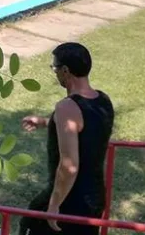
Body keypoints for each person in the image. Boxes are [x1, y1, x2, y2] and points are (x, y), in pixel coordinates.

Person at [20, 43, 114, 235]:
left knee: (30, 222)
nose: (54, 73)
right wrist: (46, 122)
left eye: (55, 68)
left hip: (71, 201)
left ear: (65, 71)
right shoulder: (103, 101)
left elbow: (69, 167)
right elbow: (86, 130)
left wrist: (54, 206)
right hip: (95, 196)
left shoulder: (67, 107)